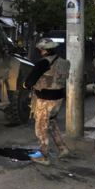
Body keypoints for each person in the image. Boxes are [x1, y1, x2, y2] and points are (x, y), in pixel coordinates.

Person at [23, 38, 70, 166]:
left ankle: (44, 157)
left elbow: (29, 82)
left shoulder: (43, 63)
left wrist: (25, 85)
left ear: (44, 50)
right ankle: (62, 148)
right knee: (50, 123)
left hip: (45, 99)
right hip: (58, 99)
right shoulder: (64, 62)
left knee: (40, 127)